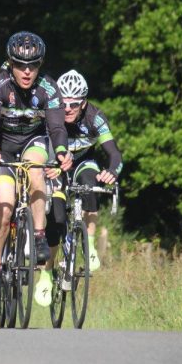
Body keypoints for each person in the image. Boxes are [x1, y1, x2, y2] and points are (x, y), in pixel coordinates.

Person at [0, 31, 72, 305]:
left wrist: (63, 151)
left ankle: (40, 237)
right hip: (4, 147)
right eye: (20, 65)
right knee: (5, 208)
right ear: (10, 63)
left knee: (35, 169)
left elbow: (56, 127)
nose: (27, 71)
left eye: (33, 66)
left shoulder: (49, 88)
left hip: (33, 141)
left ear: (40, 65)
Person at [46, 70, 122, 275]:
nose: (68, 109)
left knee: (90, 183)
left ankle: (88, 244)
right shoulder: (50, 115)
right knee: (57, 218)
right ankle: (47, 270)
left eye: (74, 104)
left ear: (84, 103)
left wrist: (112, 172)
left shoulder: (95, 118)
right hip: (56, 165)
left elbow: (114, 153)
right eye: (64, 103)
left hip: (84, 162)